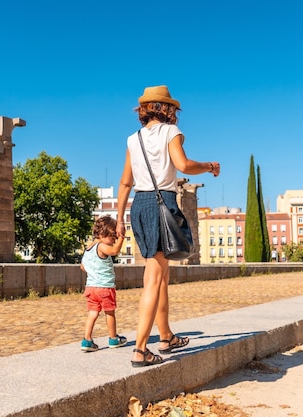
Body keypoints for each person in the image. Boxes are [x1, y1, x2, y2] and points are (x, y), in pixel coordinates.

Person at [116, 85, 221, 367]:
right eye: (171, 107)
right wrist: (210, 165)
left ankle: (166, 336)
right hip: (163, 203)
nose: (174, 112)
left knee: (161, 274)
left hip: (140, 204)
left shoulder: (133, 139)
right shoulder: (170, 133)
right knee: (154, 277)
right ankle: (140, 349)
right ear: (165, 109)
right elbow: (183, 165)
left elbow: (126, 182)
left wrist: (118, 219)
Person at [80, 216, 127, 352]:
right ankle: (113, 338)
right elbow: (114, 252)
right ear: (102, 234)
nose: (114, 239)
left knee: (93, 313)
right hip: (105, 287)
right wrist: (122, 238)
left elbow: (83, 266)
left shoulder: (88, 249)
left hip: (91, 288)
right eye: (112, 236)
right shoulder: (101, 246)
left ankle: (87, 340)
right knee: (109, 313)